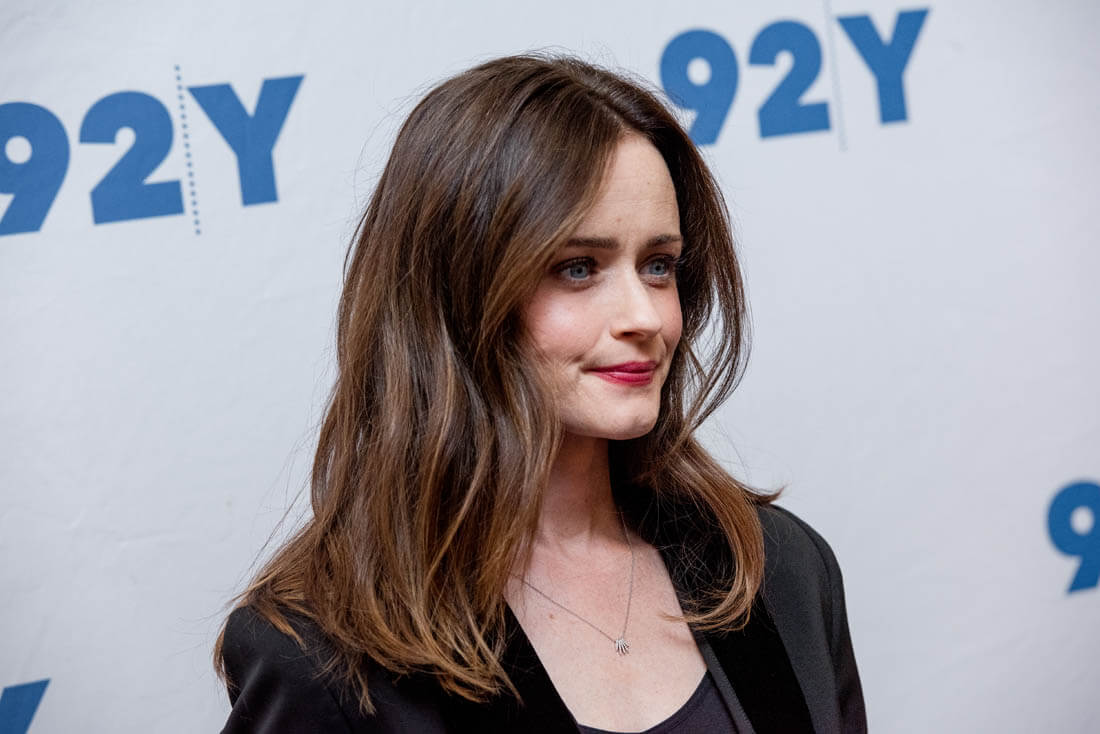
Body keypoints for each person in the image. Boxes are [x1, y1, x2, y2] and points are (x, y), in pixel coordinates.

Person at [215, 54, 866, 733]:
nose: (644, 316)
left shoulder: (778, 568)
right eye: (578, 268)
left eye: (658, 265)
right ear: (455, 296)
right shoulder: (319, 654)